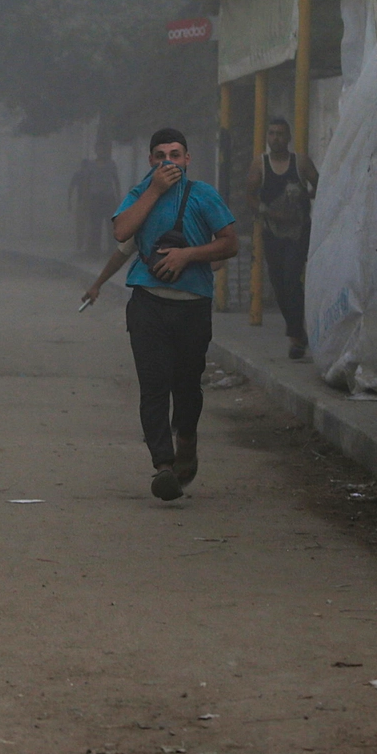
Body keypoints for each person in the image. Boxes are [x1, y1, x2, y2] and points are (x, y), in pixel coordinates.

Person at [112, 128, 238, 501]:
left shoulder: (203, 195)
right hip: (148, 304)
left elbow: (230, 242)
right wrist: (153, 191)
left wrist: (187, 255)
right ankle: (163, 466)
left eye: (176, 154)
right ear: (151, 161)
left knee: (186, 387)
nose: (169, 161)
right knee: (153, 387)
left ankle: (186, 439)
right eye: (161, 155)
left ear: (187, 159)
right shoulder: (140, 194)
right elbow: (122, 230)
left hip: (192, 307)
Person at [246, 117, 318, 359]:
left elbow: (321, 185)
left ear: (288, 138)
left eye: (280, 134)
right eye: (272, 133)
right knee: (278, 285)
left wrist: (305, 197)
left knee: (291, 279)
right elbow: (250, 196)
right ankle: (298, 331)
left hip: (298, 233)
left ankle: (296, 338)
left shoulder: (300, 162)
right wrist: (270, 212)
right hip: (272, 233)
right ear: (267, 137)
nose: (275, 138)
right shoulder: (260, 164)